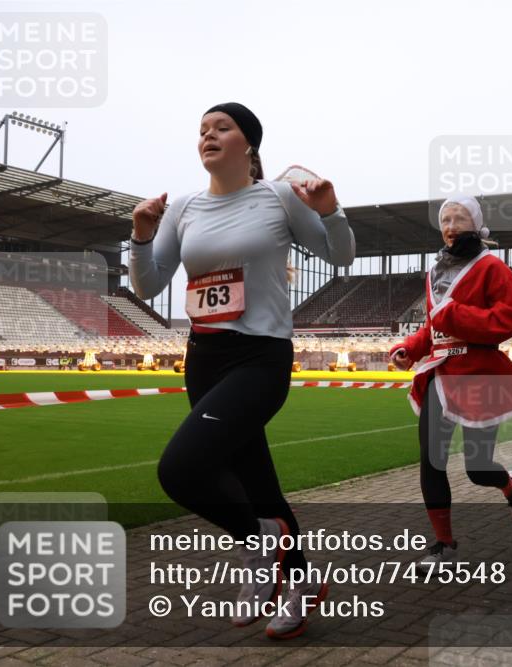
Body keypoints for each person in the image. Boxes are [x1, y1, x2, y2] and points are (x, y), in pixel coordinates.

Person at [129, 102, 355, 640]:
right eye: (202, 130)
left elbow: (341, 257)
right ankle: (299, 584)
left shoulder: (276, 197)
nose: (208, 135)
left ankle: (259, 546)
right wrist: (140, 236)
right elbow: (148, 286)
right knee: (259, 484)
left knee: (180, 471)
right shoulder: (183, 208)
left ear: (248, 143)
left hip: (259, 356)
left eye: (221, 128)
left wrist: (330, 211)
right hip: (203, 358)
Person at [389, 195, 512, 571]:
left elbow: (510, 319)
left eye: (459, 218)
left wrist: (456, 315)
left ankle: (509, 486)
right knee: (431, 461)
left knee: (477, 468)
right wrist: (409, 348)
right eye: (446, 219)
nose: (451, 226)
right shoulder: (435, 272)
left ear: (476, 224)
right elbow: (434, 325)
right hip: (440, 373)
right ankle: (444, 545)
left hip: (480, 374)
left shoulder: (493, 268)